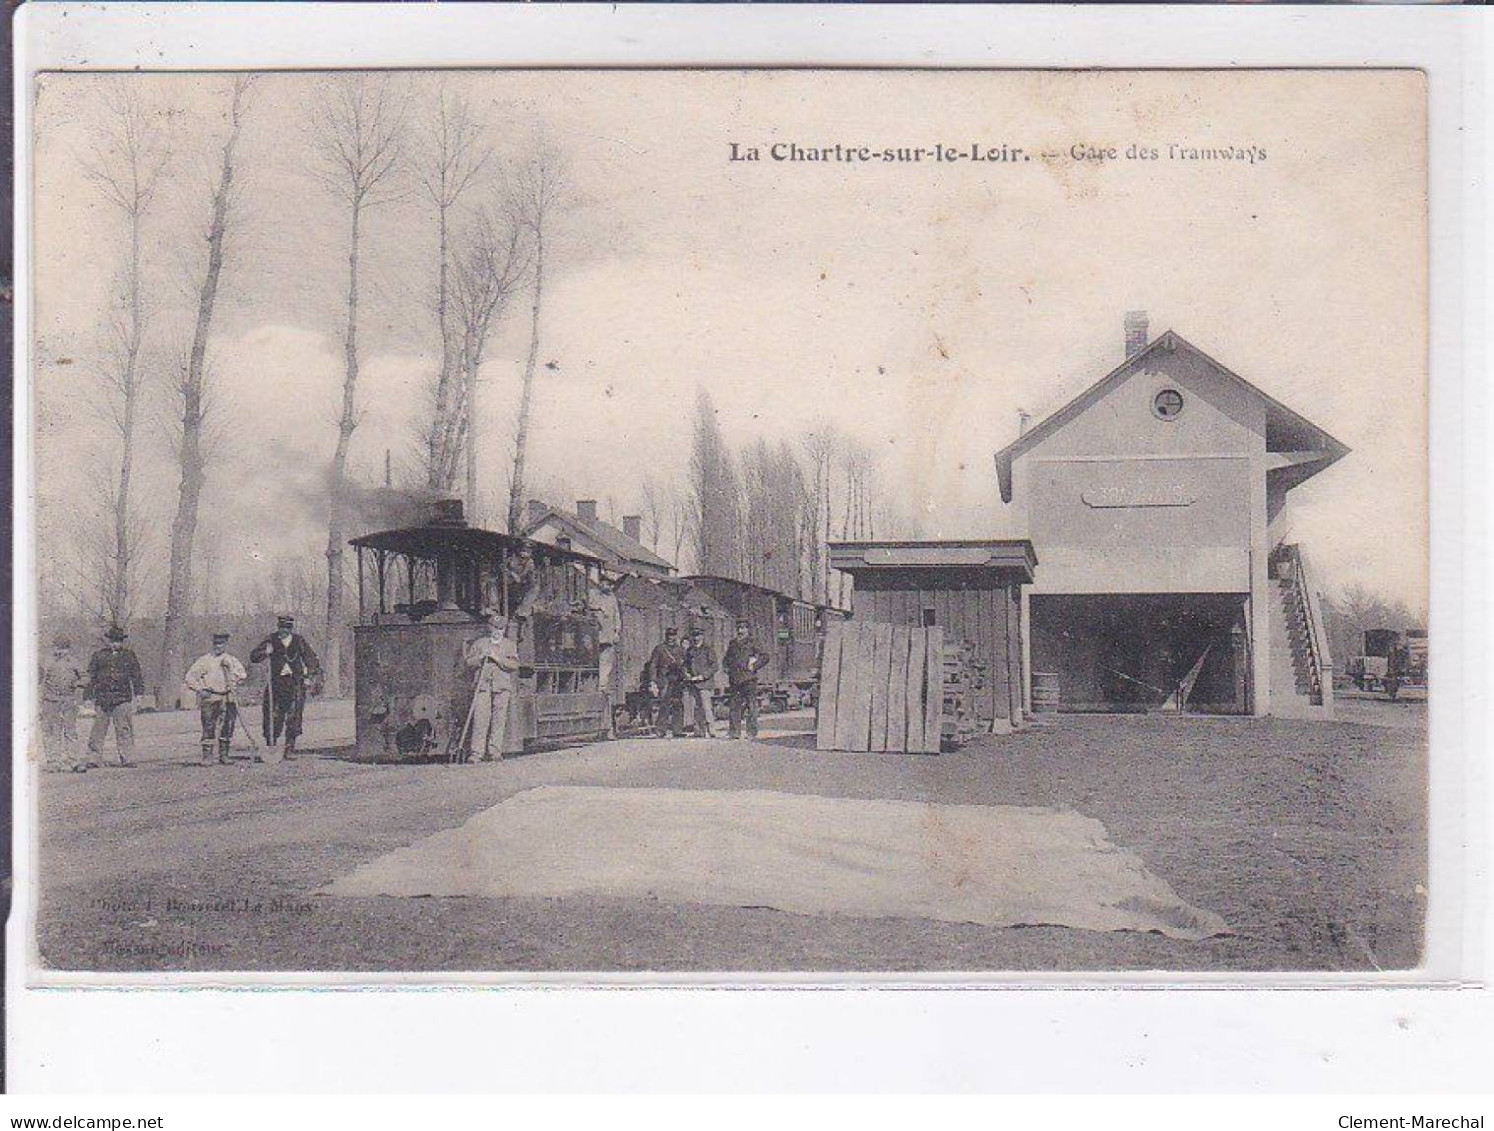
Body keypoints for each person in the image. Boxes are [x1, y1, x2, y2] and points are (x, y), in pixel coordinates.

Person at [250, 615, 321, 758]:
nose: (284, 631)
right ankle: (272, 746)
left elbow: (311, 659)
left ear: (291, 628)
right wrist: (265, 652)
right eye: (282, 628)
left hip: (295, 684)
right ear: (278, 627)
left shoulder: (299, 641)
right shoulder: (271, 640)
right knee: (273, 715)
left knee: (294, 716)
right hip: (276, 684)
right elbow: (253, 657)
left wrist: (309, 676)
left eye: (287, 628)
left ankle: (289, 748)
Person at [463, 608, 521, 761]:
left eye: (501, 629)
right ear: (489, 628)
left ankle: (494, 752)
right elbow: (468, 662)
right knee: (480, 719)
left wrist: (497, 658)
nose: (498, 631)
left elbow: (514, 665)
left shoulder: (509, 645)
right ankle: (476, 753)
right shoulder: (480, 644)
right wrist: (481, 657)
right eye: (495, 628)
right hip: (482, 687)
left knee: (498, 720)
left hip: (501, 688)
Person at [184, 631, 249, 766]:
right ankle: (207, 756)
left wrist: (232, 675)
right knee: (209, 726)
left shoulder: (231, 660)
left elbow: (242, 675)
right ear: (213, 644)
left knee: (228, 726)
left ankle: (224, 755)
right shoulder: (205, 660)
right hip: (211, 697)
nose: (219, 646)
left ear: (225, 644)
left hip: (228, 696)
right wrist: (200, 689)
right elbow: (190, 677)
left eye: (221, 644)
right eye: (216, 644)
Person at [84, 624, 144, 768]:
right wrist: (87, 697)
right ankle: (93, 758)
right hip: (102, 698)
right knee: (98, 729)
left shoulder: (129, 656)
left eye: (118, 641)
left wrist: (139, 694)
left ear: (122, 641)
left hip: (122, 698)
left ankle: (127, 757)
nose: (115, 644)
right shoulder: (98, 656)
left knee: (124, 729)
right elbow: (90, 677)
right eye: (112, 641)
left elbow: (136, 676)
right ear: (108, 641)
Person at [39, 635, 87, 772]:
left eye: (64, 649)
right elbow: (37, 679)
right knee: (52, 732)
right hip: (50, 702)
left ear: (68, 649)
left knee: (70, 732)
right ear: (54, 648)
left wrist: (78, 683)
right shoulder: (46, 662)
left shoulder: (74, 662)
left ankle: (75, 762)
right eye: (58, 648)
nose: (61, 652)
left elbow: (85, 677)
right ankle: (54, 762)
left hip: (68, 701)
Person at [723, 618, 767, 740]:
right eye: (738, 628)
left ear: (748, 629)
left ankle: (751, 732)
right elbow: (727, 658)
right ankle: (734, 732)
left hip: (749, 678)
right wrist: (726, 668)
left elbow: (765, 656)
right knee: (734, 706)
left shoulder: (753, 642)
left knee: (751, 706)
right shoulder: (732, 643)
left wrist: (754, 665)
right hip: (735, 678)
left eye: (743, 628)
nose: (740, 630)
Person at [589, 575, 623, 734]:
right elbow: (593, 609)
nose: (606, 585)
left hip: (608, 635)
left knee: (606, 660)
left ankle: (602, 683)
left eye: (609, 584)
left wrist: (616, 631)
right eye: (604, 582)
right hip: (594, 634)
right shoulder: (593, 594)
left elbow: (617, 616)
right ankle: (598, 682)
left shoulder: (613, 599)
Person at [645, 626, 685, 738]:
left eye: (672, 635)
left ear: (675, 636)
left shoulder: (680, 649)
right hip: (664, 679)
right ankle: (660, 730)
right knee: (664, 704)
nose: (670, 638)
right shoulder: (660, 649)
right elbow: (653, 665)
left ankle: (677, 730)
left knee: (677, 704)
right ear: (666, 636)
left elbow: (686, 664)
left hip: (677, 679)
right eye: (669, 635)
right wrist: (653, 680)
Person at [682, 626, 717, 738]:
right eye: (694, 636)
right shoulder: (690, 651)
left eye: (698, 635)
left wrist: (703, 676)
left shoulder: (708, 649)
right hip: (693, 683)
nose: (696, 638)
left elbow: (714, 666)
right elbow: (685, 665)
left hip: (705, 683)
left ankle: (711, 730)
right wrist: (686, 673)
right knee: (696, 707)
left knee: (706, 707)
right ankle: (699, 731)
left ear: (702, 636)